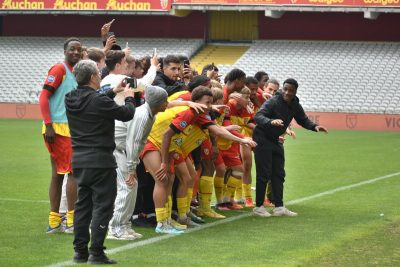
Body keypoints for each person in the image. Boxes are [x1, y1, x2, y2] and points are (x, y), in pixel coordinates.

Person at [65, 60, 135, 264]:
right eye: (97, 73)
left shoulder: (70, 98)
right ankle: (96, 252)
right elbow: (127, 114)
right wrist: (129, 97)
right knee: (103, 207)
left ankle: (80, 252)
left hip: (79, 160)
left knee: (82, 206)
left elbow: (93, 102)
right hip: (101, 161)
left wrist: (113, 90)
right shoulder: (98, 100)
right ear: (94, 77)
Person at [252, 78, 328, 217]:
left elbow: (302, 119)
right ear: (283, 89)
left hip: (275, 139)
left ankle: (279, 207)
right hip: (262, 138)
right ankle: (258, 207)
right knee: (264, 174)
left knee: (279, 173)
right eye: (285, 89)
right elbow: (258, 116)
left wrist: (314, 126)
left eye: (290, 90)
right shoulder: (273, 101)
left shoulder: (295, 104)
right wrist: (271, 121)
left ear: (295, 92)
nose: (287, 92)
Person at [108, 85, 168, 241]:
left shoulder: (149, 115)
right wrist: (131, 168)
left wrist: (135, 163)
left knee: (131, 185)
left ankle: (124, 225)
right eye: (165, 101)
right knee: (127, 185)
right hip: (114, 149)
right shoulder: (142, 116)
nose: (167, 103)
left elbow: (140, 143)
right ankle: (115, 228)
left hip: (121, 150)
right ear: (157, 103)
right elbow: (133, 143)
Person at [39, 37, 81, 234]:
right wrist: (48, 125)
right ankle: (71, 221)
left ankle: (55, 222)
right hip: (58, 129)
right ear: (65, 50)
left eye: (78, 50)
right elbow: (43, 96)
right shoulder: (59, 69)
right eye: (72, 49)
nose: (75, 52)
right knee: (72, 173)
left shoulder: (76, 71)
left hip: (69, 129)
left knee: (59, 174)